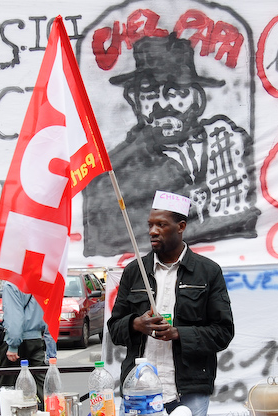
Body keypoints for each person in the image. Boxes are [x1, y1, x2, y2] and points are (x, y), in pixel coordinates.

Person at [83, 33, 259, 257]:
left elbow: (249, 226)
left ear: (197, 99)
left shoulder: (230, 142)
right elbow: (109, 251)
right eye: (150, 94)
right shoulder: (111, 175)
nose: (164, 105)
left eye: (177, 92)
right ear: (134, 100)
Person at [108, 190, 235, 416]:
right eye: (150, 225)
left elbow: (223, 333)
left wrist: (179, 334)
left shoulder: (207, 272)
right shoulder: (134, 271)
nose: (153, 231)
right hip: (139, 390)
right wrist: (136, 325)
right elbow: (114, 329)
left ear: (181, 226)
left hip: (190, 392)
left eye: (161, 225)